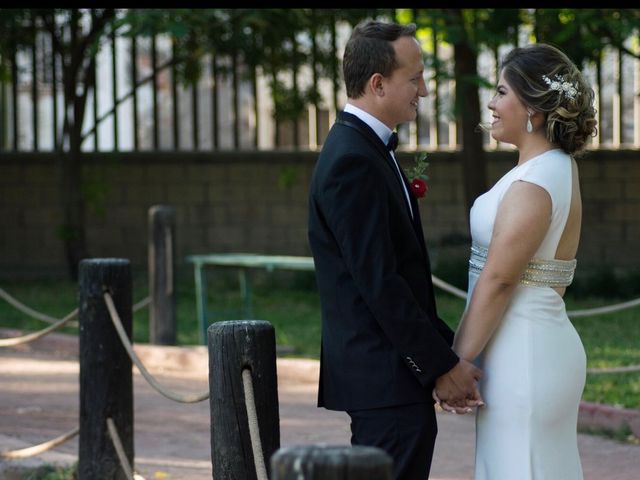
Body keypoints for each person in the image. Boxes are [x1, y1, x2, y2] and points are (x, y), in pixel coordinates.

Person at [307, 20, 483, 480]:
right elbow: (380, 283)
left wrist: (445, 350)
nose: (423, 90)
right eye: (416, 77)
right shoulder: (352, 159)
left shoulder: (366, 149)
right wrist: (440, 366)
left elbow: (399, 274)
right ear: (378, 84)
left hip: (391, 378)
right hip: (383, 380)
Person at [447, 43, 598, 479]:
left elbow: (498, 280)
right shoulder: (549, 168)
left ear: (532, 106)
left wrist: (457, 362)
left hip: (525, 357)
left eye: (500, 92)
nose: (491, 104)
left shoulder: (536, 180)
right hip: (523, 349)